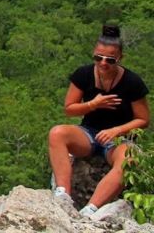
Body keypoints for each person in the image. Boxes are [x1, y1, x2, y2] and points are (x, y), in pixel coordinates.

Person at [48, 24, 150, 217]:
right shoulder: (84, 75)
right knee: (57, 133)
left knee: (129, 158)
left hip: (119, 140)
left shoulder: (132, 82)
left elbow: (143, 120)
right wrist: (92, 105)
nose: (103, 63)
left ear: (120, 59)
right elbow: (69, 108)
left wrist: (116, 131)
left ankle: (91, 209)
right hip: (89, 132)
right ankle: (62, 195)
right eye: (98, 57)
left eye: (110, 60)